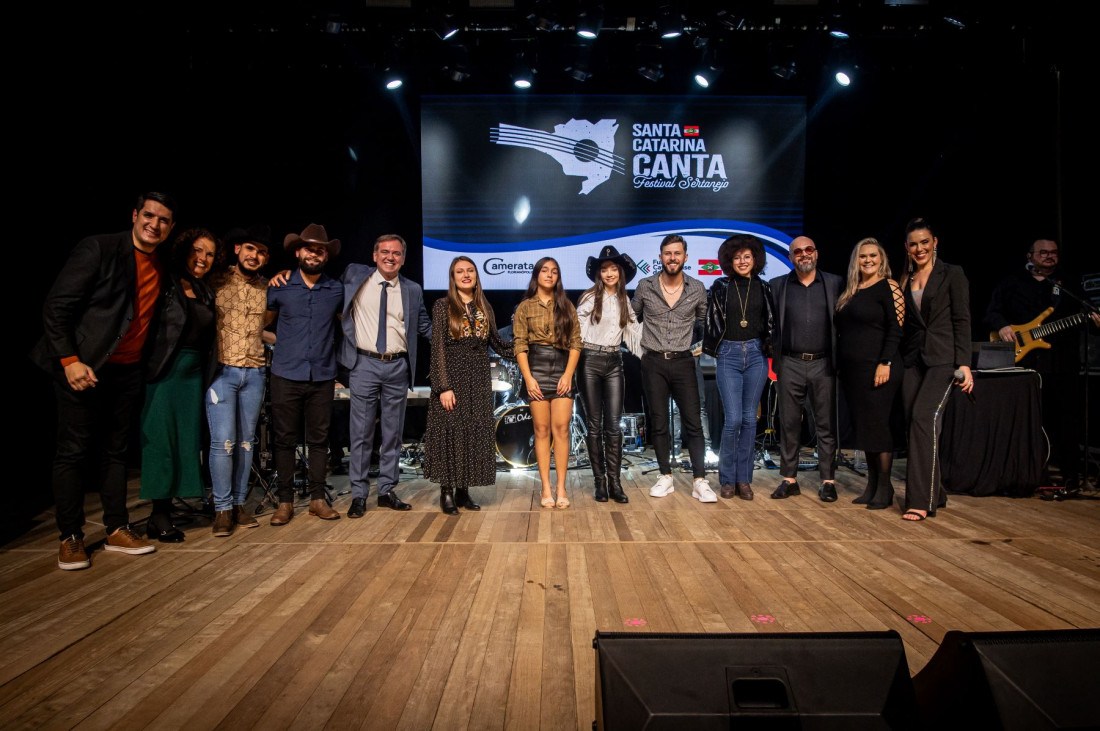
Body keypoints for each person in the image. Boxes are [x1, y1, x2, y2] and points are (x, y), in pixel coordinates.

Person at [31, 191, 177, 570]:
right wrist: (70, 360)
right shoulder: (98, 248)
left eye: (163, 220)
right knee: (73, 452)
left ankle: (116, 528)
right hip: (84, 367)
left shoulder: (160, 264)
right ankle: (70, 536)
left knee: (115, 453)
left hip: (126, 371)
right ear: (134, 215)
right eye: (149, 215)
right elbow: (57, 307)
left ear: (170, 227)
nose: (154, 224)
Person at [984, 238, 1100, 488]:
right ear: (1030, 256)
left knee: (1067, 419)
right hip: (1026, 364)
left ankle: (1071, 474)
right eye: (1043, 252)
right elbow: (992, 311)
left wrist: (1094, 319)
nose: (1049, 256)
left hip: (1062, 362)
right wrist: (1002, 326)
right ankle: (1032, 472)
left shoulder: (1067, 284)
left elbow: (1087, 312)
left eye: (1054, 253)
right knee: (1031, 420)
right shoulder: (1012, 282)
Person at [339, 233, 432, 516]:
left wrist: (453, 340)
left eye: (396, 253)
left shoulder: (412, 289)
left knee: (392, 434)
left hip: (397, 366)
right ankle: (358, 494)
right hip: (364, 364)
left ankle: (386, 490)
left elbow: (424, 325)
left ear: (403, 259)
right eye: (385, 252)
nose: (390, 257)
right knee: (361, 433)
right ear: (374, 255)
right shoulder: (355, 275)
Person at [139, 228, 218, 542]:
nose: (202, 259)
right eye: (198, 251)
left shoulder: (204, 290)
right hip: (165, 371)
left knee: (186, 442)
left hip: (194, 373)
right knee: (161, 441)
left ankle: (164, 512)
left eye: (210, 254)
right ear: (185, 250)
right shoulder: (166, 282)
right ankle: (159, 513)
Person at [266, 224, 345, 525]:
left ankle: (316, 499)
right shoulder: (280, 286)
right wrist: (283, 343)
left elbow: (347, 326)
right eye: (309, 247)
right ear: (298, 252)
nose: (314, 253)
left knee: (319, 440)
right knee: (285, 440)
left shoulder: (336, 289)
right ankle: (285, 501)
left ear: (326, 255)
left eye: (320, 249)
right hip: (285, 372)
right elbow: (263, 325)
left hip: (322, 375)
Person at [422, 256, 514, 514]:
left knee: (472, 433)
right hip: (453, 377)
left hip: (478, 379)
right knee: (451, 433)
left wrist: (524, 347)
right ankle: (447, 492)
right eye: (459, 271)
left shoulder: (485, 306)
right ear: (453, 277)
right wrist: (442, 386)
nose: (465, 275)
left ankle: (464, 491)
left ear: (476, 275)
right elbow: (438, 347)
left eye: (470, 271)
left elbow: (497, 343)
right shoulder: (442, 306)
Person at [899, 217, 973, 521]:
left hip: (943, 359)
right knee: (915, 423)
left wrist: (965, 364)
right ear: (907, 247)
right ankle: (936, 491)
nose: (920, 248)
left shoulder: (952, 274)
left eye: (925, 242)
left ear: (935, 242)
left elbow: (962, 319)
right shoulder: (904, 279)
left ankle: (921, 500)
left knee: (923, 418)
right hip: (913, 360)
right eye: (914, 244)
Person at [631, 234, 716, 502]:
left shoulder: (698, 288)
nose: (672, 258)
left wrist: (699, 347)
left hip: (683, 361)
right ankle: (666, 476)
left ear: (685, 257)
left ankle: (700, 481)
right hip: (653, 361)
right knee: (658, 422)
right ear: (660, 257)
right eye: (667, 253)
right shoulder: (645, 286)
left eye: (677, 253)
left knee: (693, 421)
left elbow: (705, 323)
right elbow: (631, 318)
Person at [205, 225, 272, 536]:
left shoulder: (266, 287)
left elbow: (267, 327)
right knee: (223, 442)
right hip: (222, 372)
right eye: (250, 249)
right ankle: (221, 508)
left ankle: (238, 504)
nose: (254, 256)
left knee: (247, 443)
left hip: (255, 372)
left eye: (260, 252)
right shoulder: (215, 280)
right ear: (237, 250)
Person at [767, 236, 844, 502]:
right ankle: (789, 479)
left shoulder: (834, 283)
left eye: (808, 249)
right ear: (790, 257)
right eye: (797, 251)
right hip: (790, 363)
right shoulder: (778, 285)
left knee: (825, 424)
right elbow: (770, 325)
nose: (803, 254)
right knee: (789, 424)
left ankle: (828, 480)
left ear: (817, 253)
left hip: (824, 363)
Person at [835, 237, 905, 509]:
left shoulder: (890, 286)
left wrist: (885, 362)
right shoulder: (851, 289)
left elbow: (896, 329)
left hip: (880, 369)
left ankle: (885, 488)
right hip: (853, 371)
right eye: (862, 256)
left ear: (881, 258)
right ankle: (872, 484)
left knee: (878, 427)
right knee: (865, 429)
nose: (868, 260)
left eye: (873, 255)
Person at [703, 234, 775, 501]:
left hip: (756, 355)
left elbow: (770, 323)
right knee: (732, 419)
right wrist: (716, 348)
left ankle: (744, 479)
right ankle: (726, 479)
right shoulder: (720, 286)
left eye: (747, 257)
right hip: (729, 355)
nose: (742, 261)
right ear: (729, 261)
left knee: (748, 419)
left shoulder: (765, 288)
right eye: (737, 258)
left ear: (755, 259)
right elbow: (711, 321)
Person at [513, 257, 582, 509]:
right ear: (537, 275)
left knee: (561, 429)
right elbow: (519, 345)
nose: (549, 275)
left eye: (554, 271)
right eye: (545, 270)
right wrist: (528, 377)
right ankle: (545, 487)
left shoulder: (567, 306)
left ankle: (562, 487)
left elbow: (576, 343)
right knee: (541, 431)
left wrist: (568, 374)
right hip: (537, 369)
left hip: (562, 368)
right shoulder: (524, 307)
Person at [576, 245, 642, 504]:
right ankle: (599, 482)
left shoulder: (625, 300)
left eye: (614, 268)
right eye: (605, 269)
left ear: (620, 272)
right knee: (594, 425)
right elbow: (575, 333)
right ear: (599, 273)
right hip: (589, 361)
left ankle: (615, 482)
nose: (610, 273)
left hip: (615, 361)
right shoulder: (589, 298)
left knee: (613, 426)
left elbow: (636, 336)